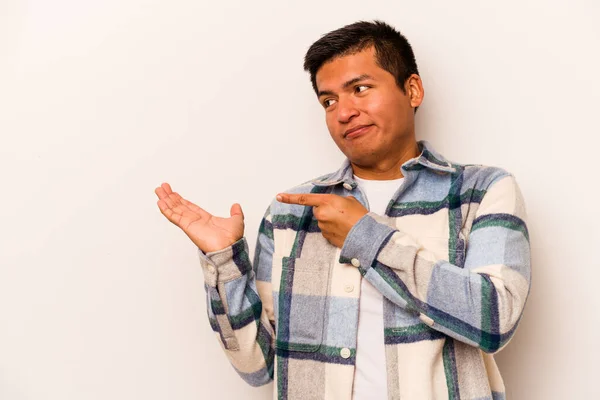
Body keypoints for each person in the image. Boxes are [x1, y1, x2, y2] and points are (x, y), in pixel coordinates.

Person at [155, 20, 531, 400]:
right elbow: (260, 367)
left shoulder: (481, 191)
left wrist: (364, 237)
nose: (343, 112)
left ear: (412, 89)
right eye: (328, 101)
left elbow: (494, 320)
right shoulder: (291, 213)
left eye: (360, 89)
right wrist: (224, 262)